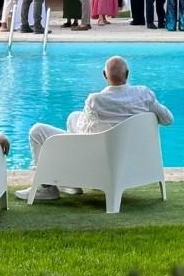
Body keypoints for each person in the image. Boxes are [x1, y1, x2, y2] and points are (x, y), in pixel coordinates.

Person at [18, 56, 173, 201]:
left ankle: (46, 187)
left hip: (101, 163)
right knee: (73, 117)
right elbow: (168, 119)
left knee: (37, 131)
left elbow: (83, 134)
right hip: (133, 159)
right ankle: (70, 183)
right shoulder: (144, 95)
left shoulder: (96, 101)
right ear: (127, 74)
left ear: (105, 75)